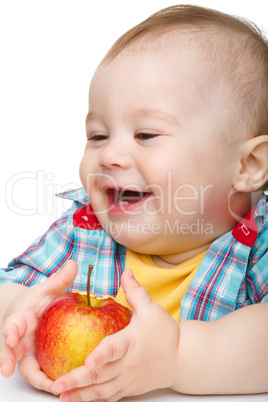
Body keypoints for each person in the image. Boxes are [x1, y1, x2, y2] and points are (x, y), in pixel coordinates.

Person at [0, 4, 268, 401]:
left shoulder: (257, 247)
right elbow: (11, 286)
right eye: (98, 135)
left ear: (248, 166)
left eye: (145, 134)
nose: (110, 156)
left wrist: (176, 356)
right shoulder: (84, 229)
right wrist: (22, 315)